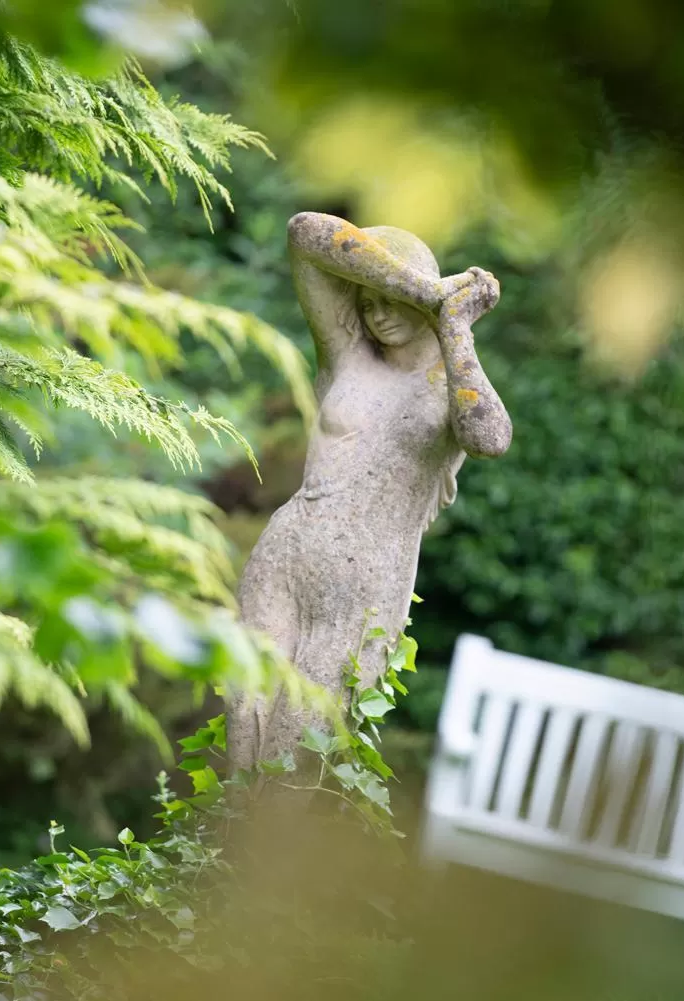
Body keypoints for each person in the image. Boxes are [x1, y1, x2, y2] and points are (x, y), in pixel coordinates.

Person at [226, 211, 513, 772]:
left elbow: (490, 438)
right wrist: (431, 294)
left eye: (390, 298)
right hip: (285, 556)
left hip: (362, 588)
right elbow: (305, 232)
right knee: (242, 736)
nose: (377, 312)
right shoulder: (347, 357)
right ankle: (213, 860)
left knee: (294, 759)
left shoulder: (452, 384)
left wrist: (454, 325)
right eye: (367, 299)